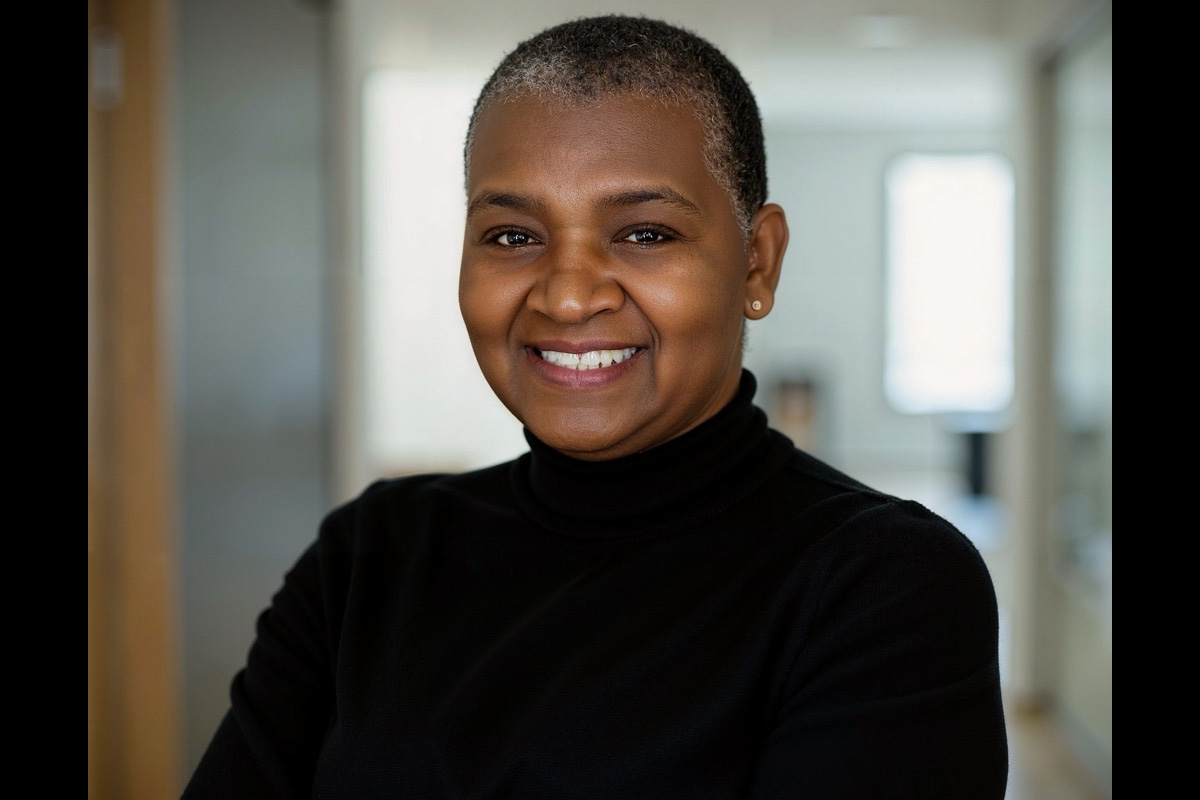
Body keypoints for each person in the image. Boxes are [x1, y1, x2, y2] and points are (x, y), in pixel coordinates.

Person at [183, 14, 1008, 798]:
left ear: (757, 264)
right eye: (512, 236)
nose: (569, 297)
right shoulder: (370, 557)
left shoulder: (881, 586)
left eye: (644, 233)